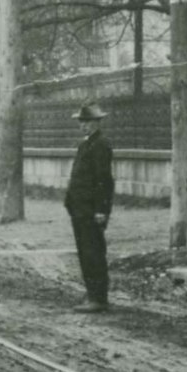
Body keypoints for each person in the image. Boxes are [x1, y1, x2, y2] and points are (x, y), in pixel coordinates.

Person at [65, 103, 114, 312]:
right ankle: (92, 293)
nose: (82, 126)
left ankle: (98, 297)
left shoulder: (101, 145)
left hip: (92, 210)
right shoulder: (86, 144)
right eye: (81, 122)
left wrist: (102, 210)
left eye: (86, 122)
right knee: (85, 251)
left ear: (96, 123)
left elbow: (104, 180)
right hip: (80, 208)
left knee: (93, 251)